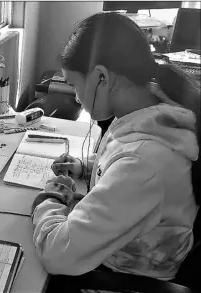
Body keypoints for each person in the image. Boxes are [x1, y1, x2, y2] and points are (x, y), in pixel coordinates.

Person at [31, 11, 200, 287]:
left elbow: (55, 252)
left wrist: (48, 199)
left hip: (121, 279)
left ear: (101, 77)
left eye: (74, 84)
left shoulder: (143, 164)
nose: (75, 96)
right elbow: (123, 162)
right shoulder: (146, 110)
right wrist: (84, 166)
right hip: (122, 245)